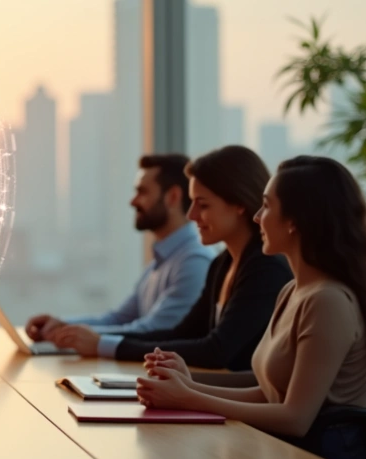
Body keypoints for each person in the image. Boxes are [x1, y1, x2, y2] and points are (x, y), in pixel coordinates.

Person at [139, 156, 366, 459]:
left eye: (266, 206)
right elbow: (269, 394)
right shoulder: (292, 291)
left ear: (294, 220)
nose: (257, 217)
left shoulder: (328, 301)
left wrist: (187, 398)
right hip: (292, 458)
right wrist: (187, 383)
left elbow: (295, 418)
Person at [49, 146, 291, 369]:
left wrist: (104, 345)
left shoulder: (265, 268)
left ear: (238, 203)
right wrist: (98, 340)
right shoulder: (222, 264)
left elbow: (216, 350)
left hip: (242, 411)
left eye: (203, 205)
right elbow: (181, 333)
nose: (192, 214)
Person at [26, 154, 212, 348]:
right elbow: (119, 319)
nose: (133, 201)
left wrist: (82, 337)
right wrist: (63, 325)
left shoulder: (194, 262)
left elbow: (154, 330)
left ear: (172, 197)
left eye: (142, 192)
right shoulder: (161, 261)